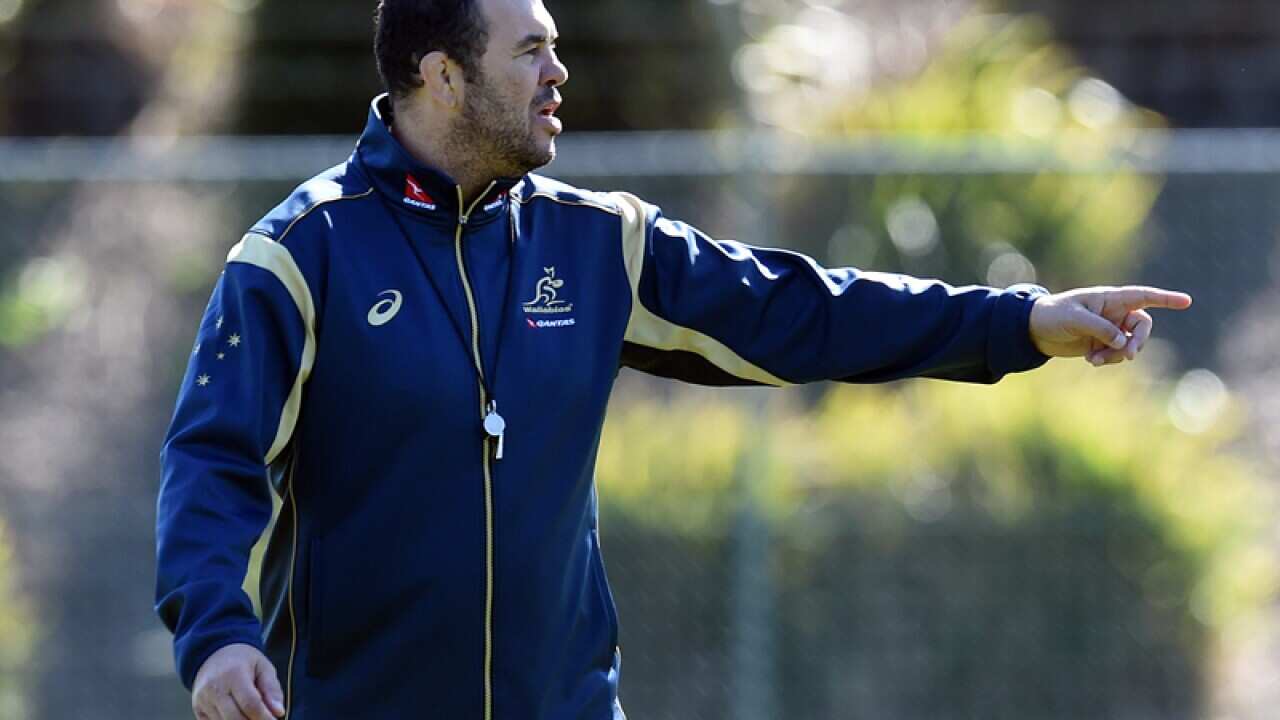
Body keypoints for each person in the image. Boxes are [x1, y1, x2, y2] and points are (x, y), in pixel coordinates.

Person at [153, 0, 1192, 718]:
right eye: (528, 51)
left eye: (555, 46)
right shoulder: (300, 257)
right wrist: (219, 636)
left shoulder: (599, 242)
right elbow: (214, 462)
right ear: (441, 75)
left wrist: (1018, 321)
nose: (559, 72)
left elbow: (805, 312)